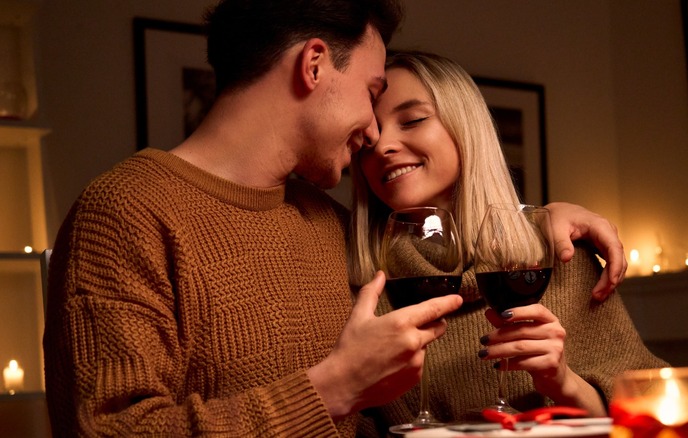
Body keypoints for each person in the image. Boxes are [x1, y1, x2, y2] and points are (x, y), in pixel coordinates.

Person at [43, 1, 628, 436]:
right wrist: (333, 389)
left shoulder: (330, 225)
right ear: (314, 65)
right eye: (371, 92)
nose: (374, 134)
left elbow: (452, 243)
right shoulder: (121, 213)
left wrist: (542, 220)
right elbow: (110, 430)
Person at [348, 51, 668, 434]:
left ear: (465, 126)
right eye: (368, 137)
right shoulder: (359, 286)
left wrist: (564, 383)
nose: (383, 146)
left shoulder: (558, 254)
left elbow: (655, 411)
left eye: (413, 120)